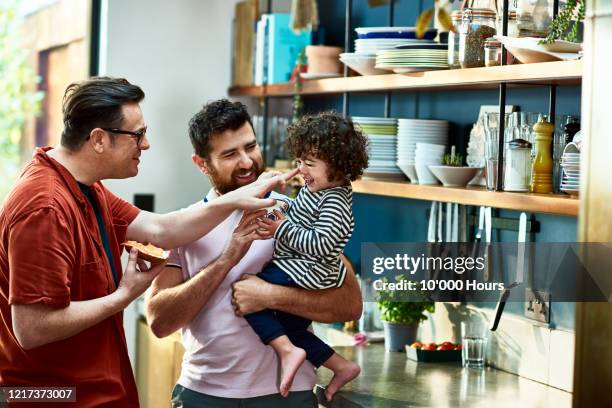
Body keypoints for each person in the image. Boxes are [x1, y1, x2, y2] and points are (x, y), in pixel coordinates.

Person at [0, 77, 287, 407]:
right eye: (137, 134)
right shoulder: (45, 207)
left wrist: (238, 198)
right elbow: (32, 328)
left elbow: (162, 229)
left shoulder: (87, 188)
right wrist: (124, 295)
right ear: (98, 139)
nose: (146, 144)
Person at [145, 99, 363, 408]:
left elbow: (350, 305)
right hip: (205, 395)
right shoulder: (184, 225)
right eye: (230, 154)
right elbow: (159, 322)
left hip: (288, 395)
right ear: (202, 163)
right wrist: (227, 259)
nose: (247, 162)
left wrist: (269, 296)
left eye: (251, 146)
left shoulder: (291, 212)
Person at [245, 111, 368, 401]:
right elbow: (299, 217)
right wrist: (279, 207)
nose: (301, 170)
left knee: (248, 293)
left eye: (309, 164)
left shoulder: (335, 200)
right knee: (291, 327)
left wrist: (280, 228)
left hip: (306, 270)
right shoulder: (317, 190)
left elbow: (322, 243)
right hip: (298, 267)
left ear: (338, 166)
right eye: (299, 162)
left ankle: (287, 352)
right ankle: (341, 366)